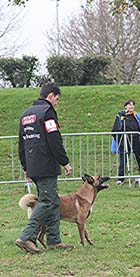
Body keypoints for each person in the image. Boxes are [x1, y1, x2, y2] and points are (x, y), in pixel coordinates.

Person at [16, 82, 73, 254]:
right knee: (47, 201)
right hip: (46, 165)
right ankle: (27, 236)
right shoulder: (47, 113)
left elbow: (21, 143)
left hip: (33, 165)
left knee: (53, 201)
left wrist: (25, 165)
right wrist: (65, 162)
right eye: (57, 99)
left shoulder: (26, 115)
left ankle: (54, 240)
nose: (57, 102)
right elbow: (54, 139)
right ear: (50, 96)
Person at [112, 99, 140, 185]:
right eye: (129, 105)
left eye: (132, 105)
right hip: (124, 139)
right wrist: (119, 138)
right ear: (125, 107)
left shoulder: (138, 116)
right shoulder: (120, 116)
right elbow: (115, 129)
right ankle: (121, 178)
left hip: (136, 138)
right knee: (123, 159)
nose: (131, 106)